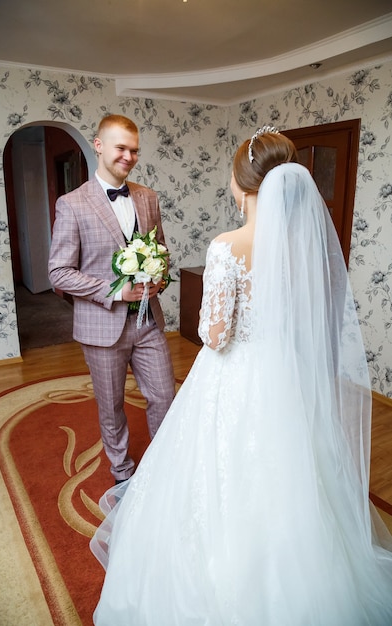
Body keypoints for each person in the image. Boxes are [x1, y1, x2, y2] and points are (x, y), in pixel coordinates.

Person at [90, 126, 392, 625]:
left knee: (217, 470)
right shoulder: (303, 247)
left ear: (243, 183)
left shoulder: (226, 246)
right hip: (283, 376)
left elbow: (214, 334)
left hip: (232, 375)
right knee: (295, 472)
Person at [48, 114, 175, 484]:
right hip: (102, 327)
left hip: (147, 321)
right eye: (121, 148)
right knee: (112, 406)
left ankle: (165, 467)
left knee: (165, 396)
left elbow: (161, 251)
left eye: (135, 150)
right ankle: (122, 471)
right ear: (99, 145)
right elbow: (58, 272)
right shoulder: (71, 204)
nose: (129, 157)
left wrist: (159, 279)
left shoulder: (148, 198)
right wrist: (115, 291)